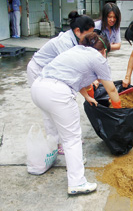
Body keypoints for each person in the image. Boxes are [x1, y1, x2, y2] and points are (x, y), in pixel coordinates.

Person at [31, 32, 121, 195]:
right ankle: (77, 182)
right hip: (57, 92)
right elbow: (112, 89)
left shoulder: (75, 51)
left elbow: (74, 77)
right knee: (72, 138)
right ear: (103, 51)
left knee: (58, 129)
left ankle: (70, 162)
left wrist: (87, 96)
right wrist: (119, 109)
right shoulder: (97, 57)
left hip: (38, 88)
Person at [27, 11, 95, 155]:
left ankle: (68, 139)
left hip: (51, 72)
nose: (91, 37)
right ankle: (56, 143)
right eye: (89, 34)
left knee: (64, 107)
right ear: (78, 31)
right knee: (50, 110)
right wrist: (87, 89)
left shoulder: (76, 39)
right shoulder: (64, 43)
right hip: (38, 70)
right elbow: (73, 71)